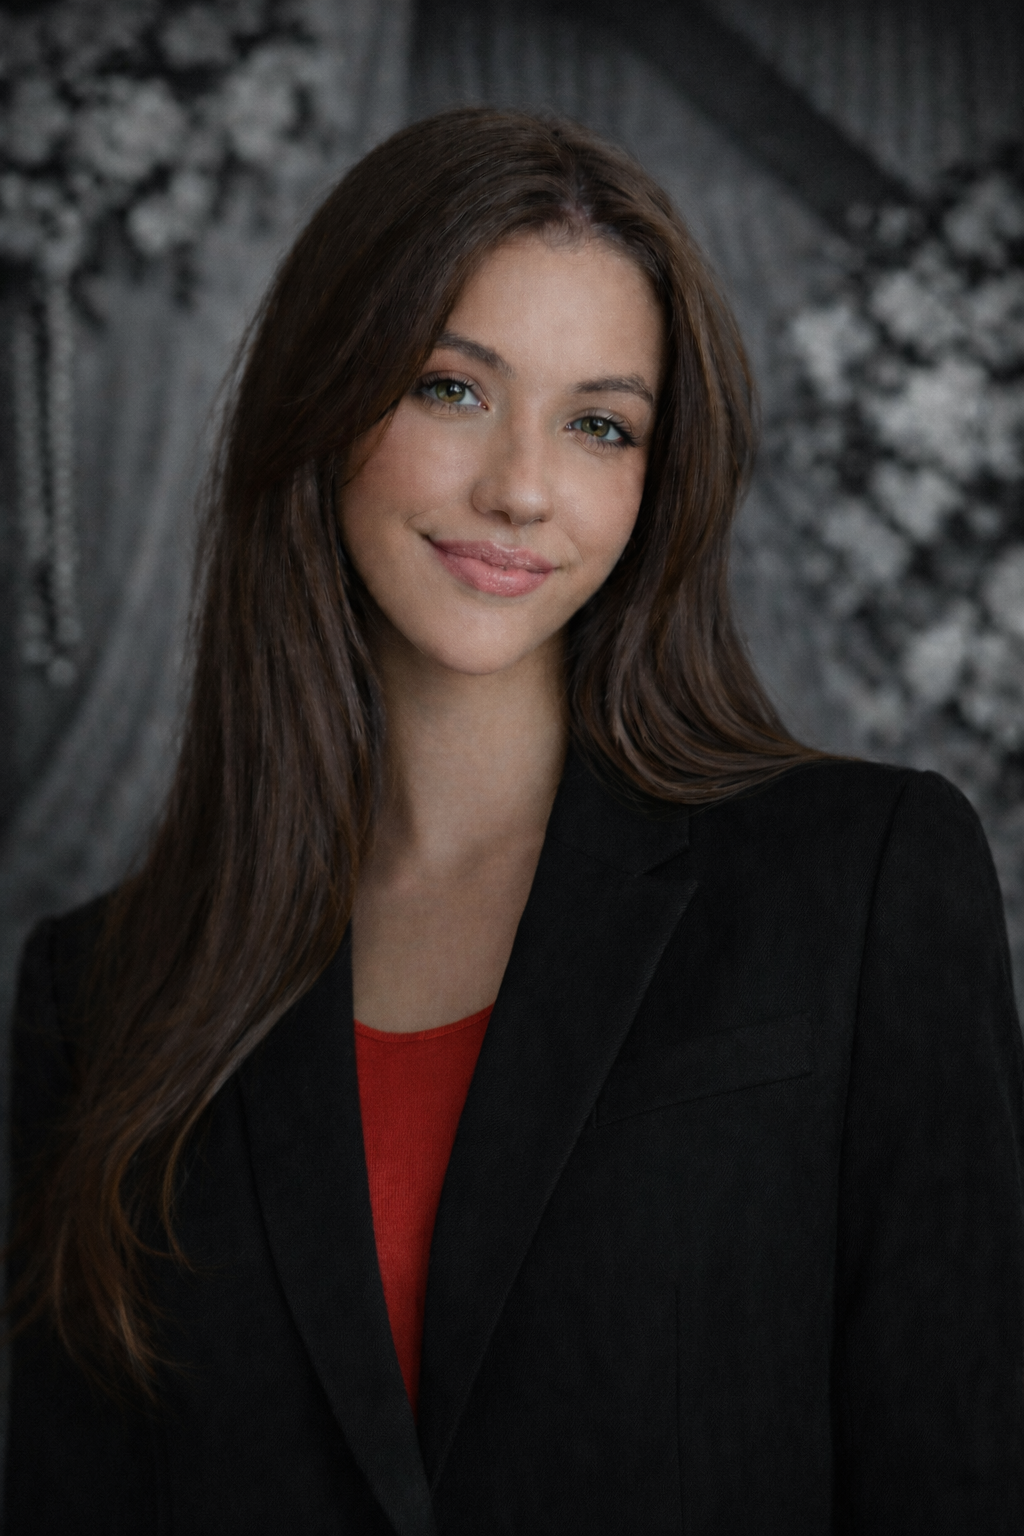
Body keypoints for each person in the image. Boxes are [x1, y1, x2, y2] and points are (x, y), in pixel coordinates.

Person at [4, 107, 1023, 1535]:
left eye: (600, 424)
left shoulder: (860, 881)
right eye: (452, 390)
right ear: (327, 397)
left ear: (654, 482)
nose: (523, 489)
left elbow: (956, 1473)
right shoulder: (99, 996)